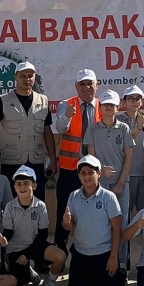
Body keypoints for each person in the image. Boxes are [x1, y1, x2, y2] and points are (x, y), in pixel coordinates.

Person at [0, 61, 57, 201]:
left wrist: (53, 160)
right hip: (11, 162)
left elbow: (47, 132)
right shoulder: (2, 100)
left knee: (37, 202)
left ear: (35, 77)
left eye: (30, 76)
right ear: (15, 77)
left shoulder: (43, 101)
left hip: (36, 162)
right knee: (11, 202)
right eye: (22, 76)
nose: (27, 79)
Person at [63, 155, 126, 286]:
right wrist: (66, 222)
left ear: (99, 174)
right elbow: (68, 226)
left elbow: (117, 229)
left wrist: (113, 257)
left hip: (103, 253)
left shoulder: (109, 197)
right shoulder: (73, 196)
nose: (87, 177)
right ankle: (92, 278)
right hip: (81, 252)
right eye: (83, 173)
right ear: (79, 176)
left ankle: (121, 274)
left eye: (91, 173)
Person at [83, 89, 134, 268]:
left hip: (121, 185)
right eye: (105, 105)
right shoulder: (92, 129)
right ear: (101, 107)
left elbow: (129, 158)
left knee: (122, 223)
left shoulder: (124, 128)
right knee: (101, 224)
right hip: (100, 185)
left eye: (112, 105)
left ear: (117, 107)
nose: (109, 108)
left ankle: (121, 263)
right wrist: (100, 170)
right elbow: (91, 158)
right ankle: (103, 261)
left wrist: (120, 183)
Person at [54, 68, 101, 253]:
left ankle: (89, 251)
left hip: (94, 171)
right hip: (70, 169)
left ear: (96, 85)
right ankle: (59, 252)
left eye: (90, 84)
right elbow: (60, 128)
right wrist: (67, 115)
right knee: (64, 211)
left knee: (93, 213)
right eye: (82, 84)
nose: (86, 87)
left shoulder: (103, 106)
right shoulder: (66, 104)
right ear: (76, 86)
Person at [2, 166, 66, 286]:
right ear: (14, 187)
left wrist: (27, 254)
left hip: (36, 245)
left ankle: (50, 281)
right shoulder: (10, 206)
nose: (22, 187)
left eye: (26, 183)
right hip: (16, 248)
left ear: (34, 186)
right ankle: (28, 272)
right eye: (19, 184)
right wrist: (3, 239)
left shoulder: (40, 206)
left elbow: (43, 234)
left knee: (60, 256)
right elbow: (8, 231)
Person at [117, 86, 144, 215]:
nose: (134, 101)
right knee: (125, 213)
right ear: (124, 101)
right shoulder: (118, 120)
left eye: (137, 99)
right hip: (126, 174)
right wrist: (138, 128)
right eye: (131, 98)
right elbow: (123, 143)